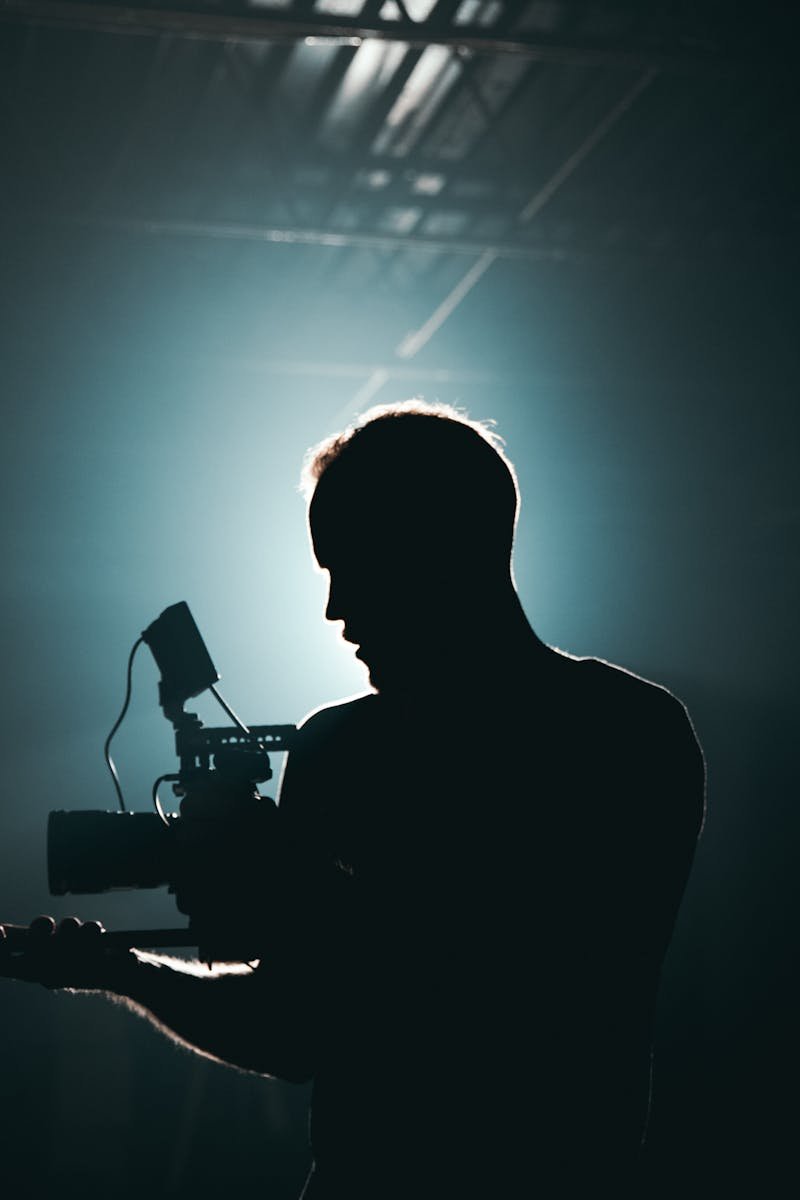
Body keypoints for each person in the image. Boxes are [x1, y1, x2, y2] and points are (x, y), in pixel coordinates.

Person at [0, 401, 705, 1198]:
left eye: (353, 568)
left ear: (444, 550)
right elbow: (294, 1027)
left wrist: (285, 874)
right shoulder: (340, 747)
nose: (336, 612)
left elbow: (520, 993)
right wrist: (122, 971)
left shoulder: (622, 736)